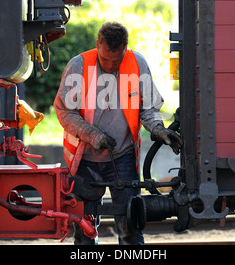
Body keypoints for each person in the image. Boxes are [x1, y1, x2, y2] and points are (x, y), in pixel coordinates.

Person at [53, 21, 183, 245]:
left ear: (126, 48)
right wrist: (92, 134)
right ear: (97, 45)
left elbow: (148, 109)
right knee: (84, 229)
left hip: (122, 156)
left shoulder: (136, 63)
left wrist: (159, 130)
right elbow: (65, 111)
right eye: (105, 59)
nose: (111, 65)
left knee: (130, 226)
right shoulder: (79, 66)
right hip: (84, 161)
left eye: (117, 59)